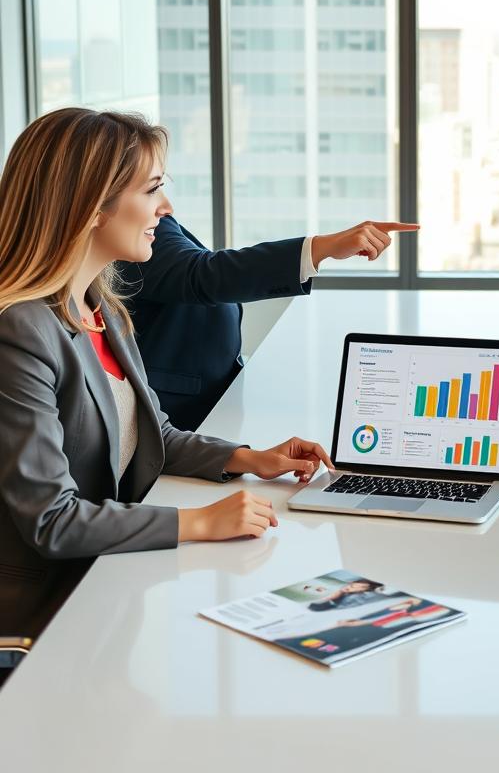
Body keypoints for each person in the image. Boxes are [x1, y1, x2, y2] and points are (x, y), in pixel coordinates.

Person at [0, 108, 336, 651]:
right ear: (89, 206)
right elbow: (52, 520)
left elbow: (153, 433)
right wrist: (199, 523)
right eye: (152, 189)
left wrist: (248, 458)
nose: (166, 208)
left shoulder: (101, 307)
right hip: (46, 613)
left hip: (108, 589)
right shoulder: (19, 331)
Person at [118, 212, 418, 432]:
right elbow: (202, 275)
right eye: (153, 185)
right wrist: (322, 247)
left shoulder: (141, 217)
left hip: (209, 396)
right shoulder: (126, 227)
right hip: (180, 415)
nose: (166, 203)